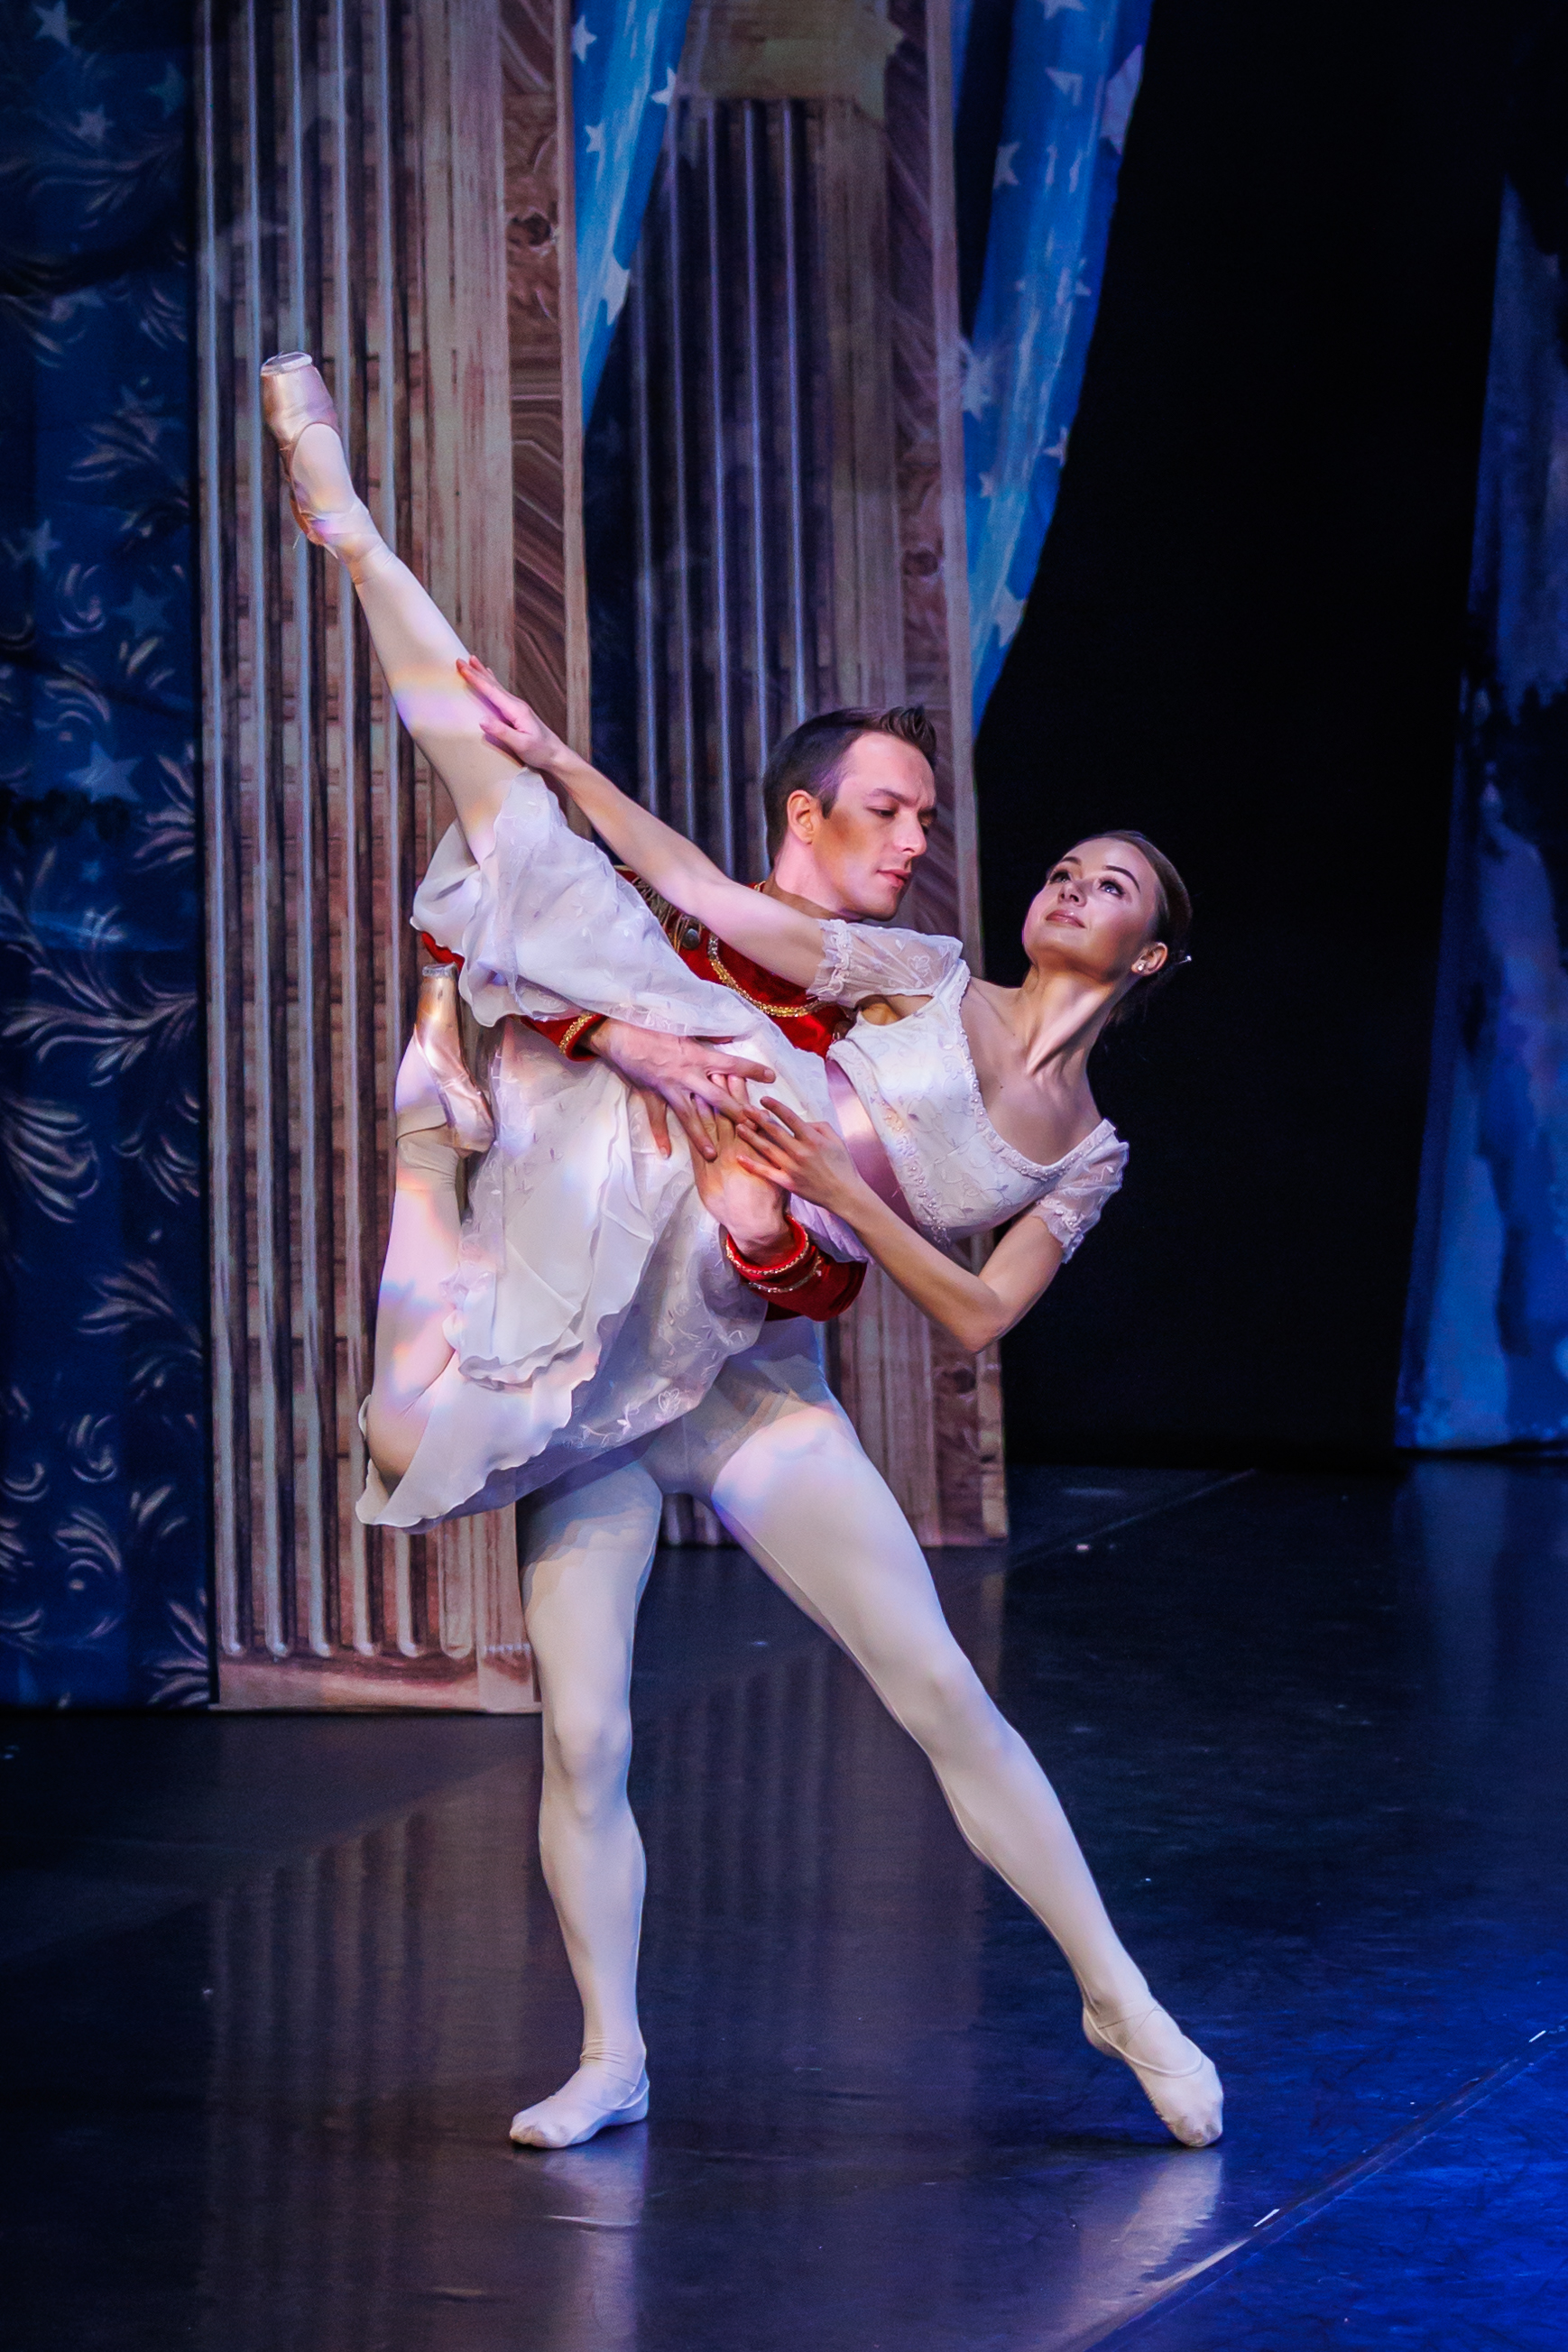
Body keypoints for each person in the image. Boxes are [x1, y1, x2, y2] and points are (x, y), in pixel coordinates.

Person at [260, 351, 1222, 2158]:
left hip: (753, 1360)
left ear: (1148, 958)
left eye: (1103, 887)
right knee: (586, 1731)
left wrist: (834, 1192)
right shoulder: (923, 972)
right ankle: (612, 2046)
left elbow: (966, 1311)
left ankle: (1119, 1992)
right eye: (1059, 866)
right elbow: (711, 901)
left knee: (932, 1679)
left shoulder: (1081, 1149)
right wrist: (564, 760)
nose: (1052, 883)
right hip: (630, 1300)